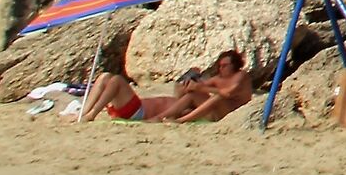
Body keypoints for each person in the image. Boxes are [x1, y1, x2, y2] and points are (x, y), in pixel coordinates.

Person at [78, 50, 254, 123]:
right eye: (220, 66)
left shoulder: (240, 76)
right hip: (135, 108)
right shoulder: (216, 80)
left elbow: (227, 93)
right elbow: (184, 92)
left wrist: (199, 89)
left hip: (229, 112)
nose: (221, 69)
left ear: (235, 65)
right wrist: (190, 84)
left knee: (116, 80)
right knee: (105, 77)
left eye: (225, 66)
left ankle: (91, 114)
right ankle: (84, 113)